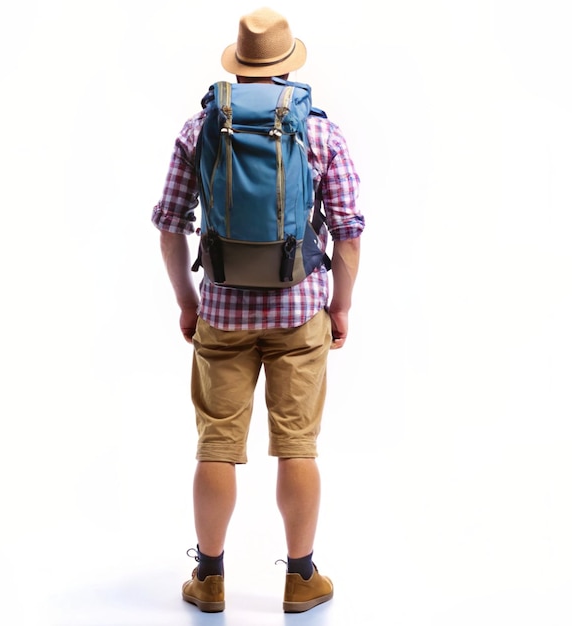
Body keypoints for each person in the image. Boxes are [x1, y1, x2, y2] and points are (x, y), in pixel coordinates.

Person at [152, 6, 364, 614]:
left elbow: (169, 227)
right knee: (298, 445)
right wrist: (341, 307)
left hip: (220, 311)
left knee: (216, 445)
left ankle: (210, 579)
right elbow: (348, 233)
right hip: (301, 312)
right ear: (287, 61)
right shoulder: (318, 131)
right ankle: (301, 578)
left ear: (238, 65)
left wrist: (188, 302)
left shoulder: (200, 129)